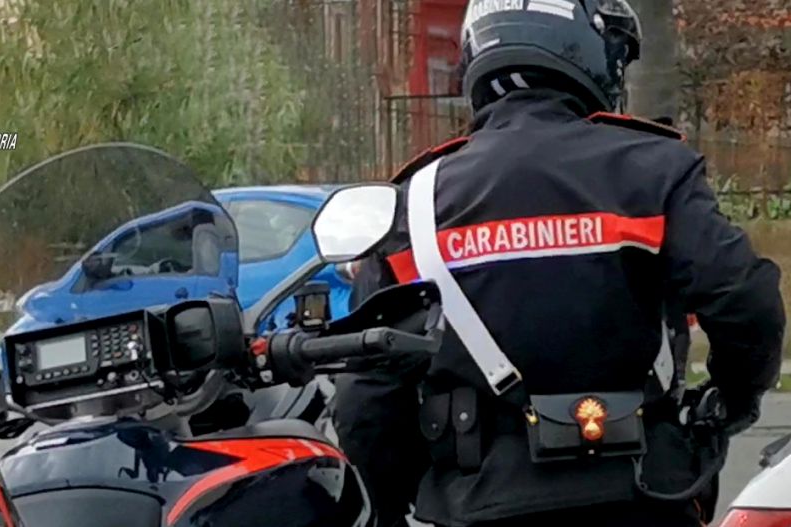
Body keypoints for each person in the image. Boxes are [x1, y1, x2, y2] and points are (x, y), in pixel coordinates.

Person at [333, 1, 786, 526]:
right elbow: (745, 300)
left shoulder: (413, 205)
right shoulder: (653, 169)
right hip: (642, 493)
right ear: (586, 49)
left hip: (478, 502)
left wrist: (403, 499)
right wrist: (728, 406)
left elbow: (368, 396)